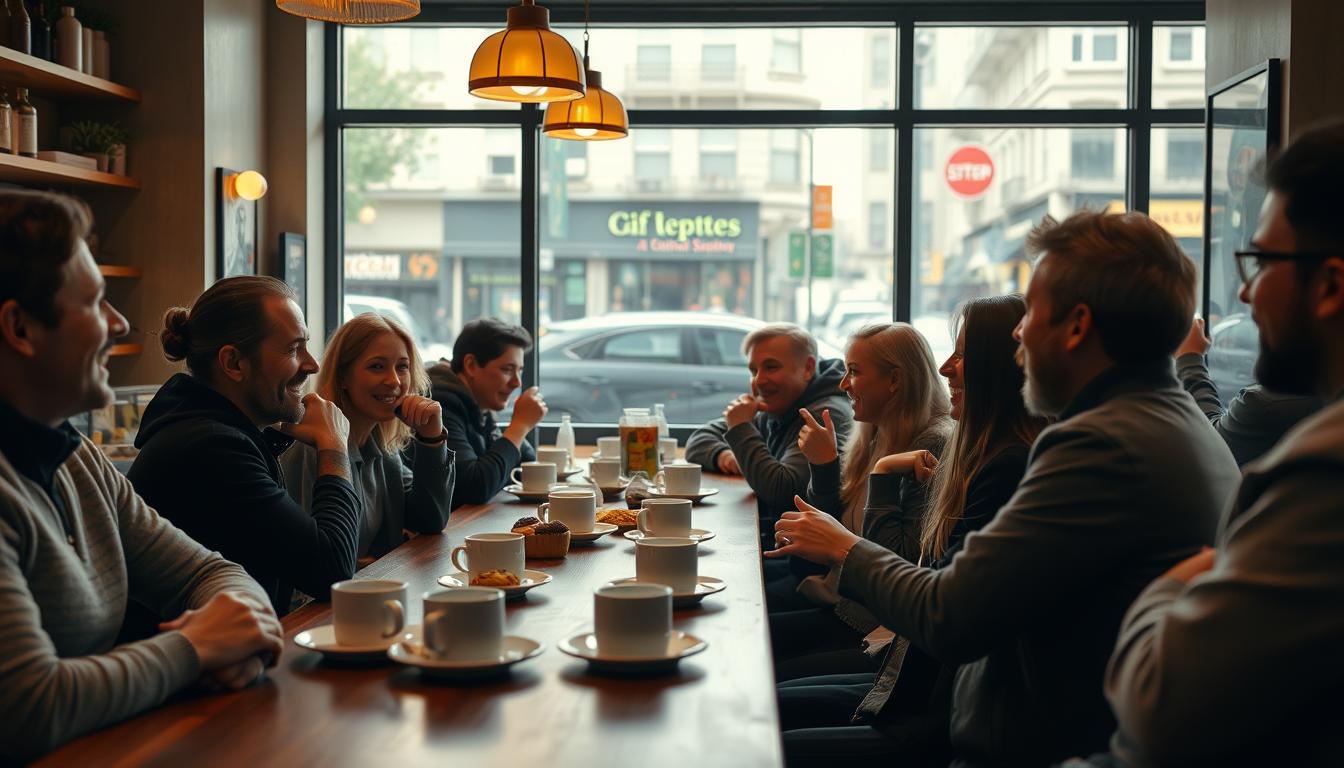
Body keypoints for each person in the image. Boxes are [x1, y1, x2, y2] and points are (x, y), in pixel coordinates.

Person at [769, 210, 1240, 765]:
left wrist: (847, 548)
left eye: (1031, 313)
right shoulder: (1172, 420)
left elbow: (950, 616)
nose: (1017, 334)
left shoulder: (1101, 445)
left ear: (1077, 325)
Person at [0, 191, 282, 762]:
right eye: (95, 301)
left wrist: (235, 634)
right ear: (20, 327)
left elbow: (213, 572)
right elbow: (25, 708)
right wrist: (194, 648)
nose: (120, 322)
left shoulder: (74, 456)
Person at [1102, 121, 1344, 767]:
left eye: (1262, 261)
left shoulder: (1323, 475)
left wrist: (1178, 581)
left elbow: (1160, 704)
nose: (1244, 291)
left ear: (1330, 285)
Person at [777, 295, 1044, 766]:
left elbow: (916, 591)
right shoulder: (958, 448)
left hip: (919, 689)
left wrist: (852, 531)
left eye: (961, 356)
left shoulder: (969, 454)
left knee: (765, 709)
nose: (946, 368)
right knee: (767, 697)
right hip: (908, 669)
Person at [130, 277, 361, 617]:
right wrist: (334, 447)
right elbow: (333, 569)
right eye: (293, 349)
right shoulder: (210, 449)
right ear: (234, 363)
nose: (312, 364)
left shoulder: (211, 432)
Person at [770, 322, 951, 677]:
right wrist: (824, 467)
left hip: (874, 626)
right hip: (843, 598)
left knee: (764, 655)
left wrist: (880, 474)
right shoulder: (873, 430)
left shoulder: (932, 446)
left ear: (895, 381)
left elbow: (898, 562)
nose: (842, 384)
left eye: (853, 371)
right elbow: (827, 539)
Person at [280, 313, 454, 560]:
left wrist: (432, 438)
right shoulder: (312, 446)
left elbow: (431, 519)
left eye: (402, 367)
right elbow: (307, 557)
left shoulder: (383, 448)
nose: (394, 380)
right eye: (376, 366)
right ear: (342, 378)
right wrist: (360, 569)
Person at [685, 323, 854, 529]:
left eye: (771, 367)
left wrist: (740, 427)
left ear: (808, 368)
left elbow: (783, 491)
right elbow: (698, 440)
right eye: (753, 370)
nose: (759, 380)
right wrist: (727, 456)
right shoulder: (778, 403)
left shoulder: (823, 415)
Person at [428, 318, 544, 508]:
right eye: (507, 370)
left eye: (519, 371)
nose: (517, 382)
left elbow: (526, 468)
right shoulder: (439, 405)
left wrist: (518, 430)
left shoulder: (479, 403)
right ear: (471, 365)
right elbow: (474, 488)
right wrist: (520, 426)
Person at [1174, 316, 1320, 466]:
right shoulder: (1327, 398)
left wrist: (1189, 356)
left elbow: (1213, 441)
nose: (1243, 293)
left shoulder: (1264, 405)